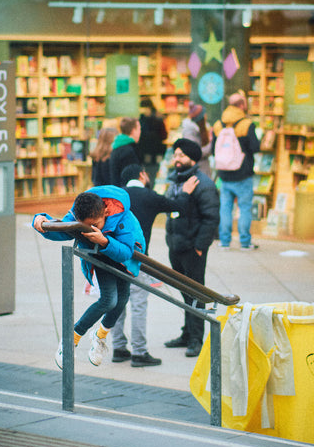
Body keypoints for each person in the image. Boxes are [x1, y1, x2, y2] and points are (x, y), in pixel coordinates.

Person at [32, 185, 145, 369]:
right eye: (86, 225)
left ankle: (100, 336)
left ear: (106, 212)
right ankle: (70, 340)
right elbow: (61, 230)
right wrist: (40, 221)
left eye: (95, 225)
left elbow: (125, 251)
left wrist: (104, 240)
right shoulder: (80, 212)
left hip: (123, 256)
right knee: (109, 300)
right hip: (101, 255)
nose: (90, 229)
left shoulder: (123, 216)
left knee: (123, 298)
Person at [111, 163, 199, 366]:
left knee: (117, 303)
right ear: (142, 175)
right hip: (138, 260)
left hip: (114, 256)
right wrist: (185, 192)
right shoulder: (150, 196)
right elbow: (178, 207)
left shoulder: (117, 195)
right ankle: (139, 352)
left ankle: (118, 347)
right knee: (138, 304)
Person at [164, 138, 220, 357]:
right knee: (185, 293)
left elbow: (211, 217)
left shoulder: (203, 184)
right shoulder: (176, 180)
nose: (177, 159)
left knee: (195, 292)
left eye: (181, 155)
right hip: (176, 245)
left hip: (192, 247)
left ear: (193, 158)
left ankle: (197, 338)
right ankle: (187, 333)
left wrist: (200, 246)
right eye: (175, 155)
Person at [212, 89, 260, 250]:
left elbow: (214, 150)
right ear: (241, 105)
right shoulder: (246, 124)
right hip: (243, 173)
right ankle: (245, 241)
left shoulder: (219, 124)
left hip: (224, 174)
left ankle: (225, 241)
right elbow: (255, 147)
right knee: (244, 207)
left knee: (225, 208)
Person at [138, 98, 167, 187]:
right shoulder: (158, 118)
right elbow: (164, 135)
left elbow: (164, 135)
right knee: (150, 177)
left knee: (149, 177)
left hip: (148, 153)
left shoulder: (141, 120)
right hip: (150, 154)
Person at [181, 101, 212, 177]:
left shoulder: (199, 129)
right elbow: (196, 153)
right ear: (200, 118)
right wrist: (212, 145)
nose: (206, 116)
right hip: (197, 172)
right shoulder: (189, 133)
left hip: (203, 169)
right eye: (204, 114)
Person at [109, 117, 141, 186]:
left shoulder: (116, 146)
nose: (140, 132)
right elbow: (131, 177)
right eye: (139, 129)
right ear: (133, 131)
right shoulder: (129, 151)